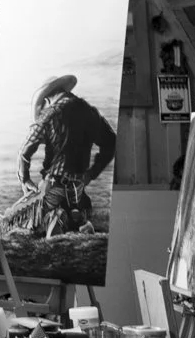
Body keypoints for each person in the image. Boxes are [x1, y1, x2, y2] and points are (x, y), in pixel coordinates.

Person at [13, 73, 117, 237]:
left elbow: (25, 152)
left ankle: (55, 217)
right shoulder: (90, 112)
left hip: (54, 185)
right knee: (78, 215)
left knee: (22, 221)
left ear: (47, 99)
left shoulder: (49, 115)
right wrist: (91, 173)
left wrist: (24, 178)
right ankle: (79, 220)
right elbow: (112, 142)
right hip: (78, 187)